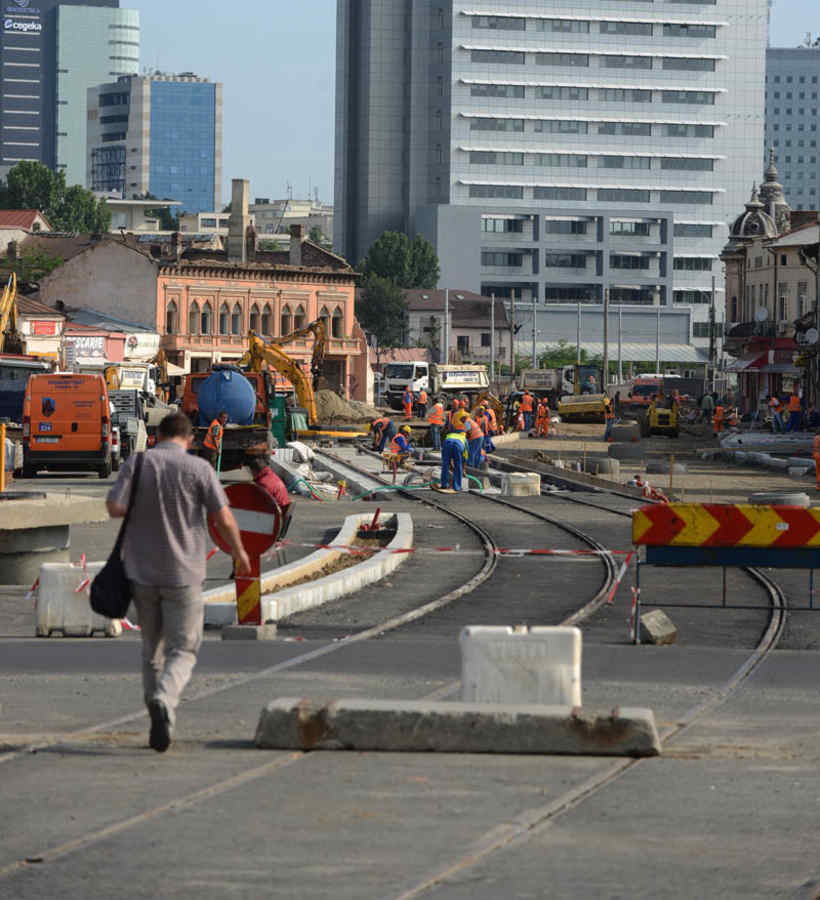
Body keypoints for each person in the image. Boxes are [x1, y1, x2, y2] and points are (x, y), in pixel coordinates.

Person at [106, 412, 251, 753]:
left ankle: (158, 715)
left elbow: (114, 507)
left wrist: (143, 510)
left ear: (158, 435)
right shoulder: (199, 468)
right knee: (183, 649)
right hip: (184, 574)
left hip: (142, 573)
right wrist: (239, 552)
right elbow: (223, 516)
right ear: (189, 439)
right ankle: (164, 697)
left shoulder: (138, 464)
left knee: (151, 651)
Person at [440, 411, 468, 491]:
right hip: (458, 446)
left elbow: (445, 456)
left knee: (445, 465)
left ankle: (444, 484)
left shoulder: (450, 434)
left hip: (447, 443)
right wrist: (463, 469)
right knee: (458, 465)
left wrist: (449, 463)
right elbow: (465, 457)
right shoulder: (464, 439)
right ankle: (457, 487)